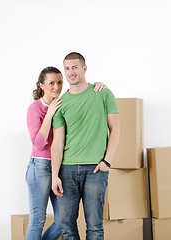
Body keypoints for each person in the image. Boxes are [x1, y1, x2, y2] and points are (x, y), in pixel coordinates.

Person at [26, 66, 107, 240]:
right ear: (41, 85)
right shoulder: (35, 108)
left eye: (59, 82)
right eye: (51, 83)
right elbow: (39, 144)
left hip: (61, 166)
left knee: (62, 221)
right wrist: (50, 113)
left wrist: (97, 86)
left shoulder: (65, 102)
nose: (56, 87)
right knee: (38, 220)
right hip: (39, 166)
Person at [51, 52, 120, 240]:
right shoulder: (61, 103)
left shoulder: (103, 93)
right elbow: (57, 142)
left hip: (95, 169)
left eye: (75, 67)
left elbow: (116, 130)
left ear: (84, 68)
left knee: (95, 227)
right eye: (67, 68)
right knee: (66, 227)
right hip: (67, 170)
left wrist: (107, 161)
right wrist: (55, 175)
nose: (71, 72)